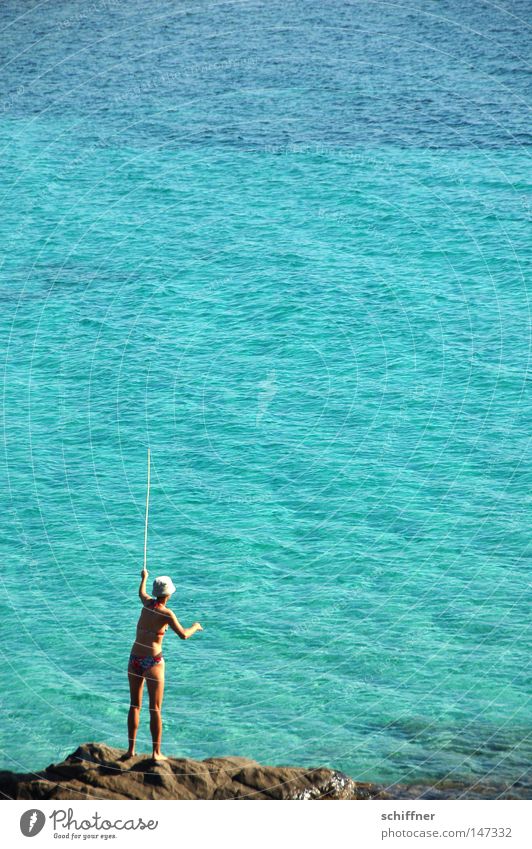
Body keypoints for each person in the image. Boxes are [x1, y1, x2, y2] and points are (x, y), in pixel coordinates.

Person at [124, 569, 203, 761]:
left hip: (134, 658)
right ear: (168, 595)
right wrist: (196, 627)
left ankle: (130, 750)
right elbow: (183, 635)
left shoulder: (146, 603)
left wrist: (143, 578)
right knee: (155, 708)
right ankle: (156, 753)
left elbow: (141, 593)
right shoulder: (166, 613)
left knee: (135, 705)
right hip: (153, 661)